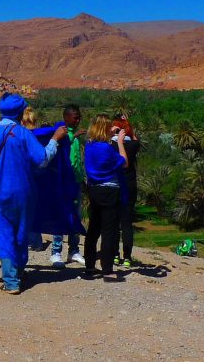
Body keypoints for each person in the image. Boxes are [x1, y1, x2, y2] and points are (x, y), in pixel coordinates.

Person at [0, 93, 67, 294]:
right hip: (25, 192)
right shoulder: (25, 134)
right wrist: (55, 141)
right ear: (20, 111)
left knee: (5, 232)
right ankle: (19, 271)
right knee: (22, 231)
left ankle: (11, 280)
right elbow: (42, 159)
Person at [84, 114, 128, 282]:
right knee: (109, 230)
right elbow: (124, 162)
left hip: (94, 190)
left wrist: (110, 131)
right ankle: (107, 269)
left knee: (93, 228)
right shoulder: (107, 149)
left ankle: (89, 266)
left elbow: (99, 137)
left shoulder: (89, 146)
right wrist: (120, 142)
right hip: (110, 190)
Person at [50, 104, 86, 268]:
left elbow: (77, 159)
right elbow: (60, 149)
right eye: (75, 117)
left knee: (75, 217)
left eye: (79, 117)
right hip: (63, 182)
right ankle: (56, 252)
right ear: (66, 117)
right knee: (60, 216)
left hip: (76, 182)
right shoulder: (61, 131)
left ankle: (73, 250)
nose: (78, 120)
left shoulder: (75, 135)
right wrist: (73, 136)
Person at [111, 115, 140, 267]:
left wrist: (112, 133)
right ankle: (127, 257)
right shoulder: (133, 146)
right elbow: (136, 140)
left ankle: (115, 255)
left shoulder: (110, 145)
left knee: (114, 222)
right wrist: (129, 126)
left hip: (114, 186)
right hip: (129, 187)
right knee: (127, 224)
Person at [21, 106, 43, 252]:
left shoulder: (19, 135)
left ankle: (28, 240)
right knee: (34, 210)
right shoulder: (39, 136)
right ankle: (36, 241)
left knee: (24, 211)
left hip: (23, 178)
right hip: (37, 178)